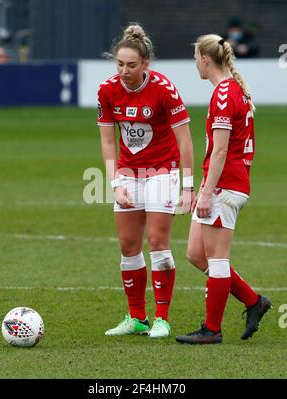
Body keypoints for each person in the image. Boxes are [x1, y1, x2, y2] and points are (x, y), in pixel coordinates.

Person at [97, 23, 194, 339]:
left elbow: (185, 140)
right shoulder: (107, 90)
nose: (124, 71)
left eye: (131, 65)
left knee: (157, 242)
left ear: (146, 64)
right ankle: (137, 318)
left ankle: (162, 318)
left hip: (162, 172)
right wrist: (115, 183)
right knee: (127, 246)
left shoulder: (164, 89)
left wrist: (188, 187)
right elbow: (109, 143)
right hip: (127, 174)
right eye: (120, 64)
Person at [175, 34, 272, 345]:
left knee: (217, 259)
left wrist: (206, 192)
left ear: (205, 59)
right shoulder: (231, 89)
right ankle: (254, 301)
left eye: (195, 59)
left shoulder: (223, 95)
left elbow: (219, 151)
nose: (195, 65)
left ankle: (211, 330)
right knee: (195, 254)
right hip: (221, 182)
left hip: (225, 185)